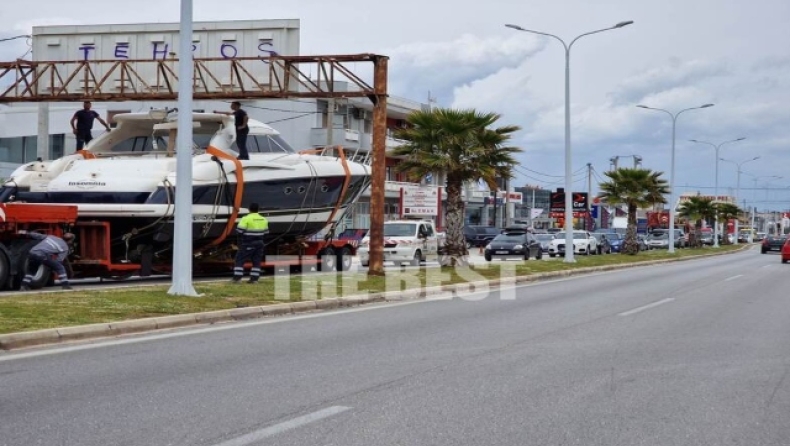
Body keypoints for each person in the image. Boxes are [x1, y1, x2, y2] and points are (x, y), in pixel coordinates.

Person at [232, 203, 268, 283]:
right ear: (258, 209)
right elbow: (266, 233)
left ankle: (237, 279)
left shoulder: (246, 218)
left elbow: (239, 231)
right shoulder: (263, 219)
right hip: (260, 243)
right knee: (256, 261)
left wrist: (237, 242)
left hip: (248, 243)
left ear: (249, 209)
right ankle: (254, 280)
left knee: (240, 259)